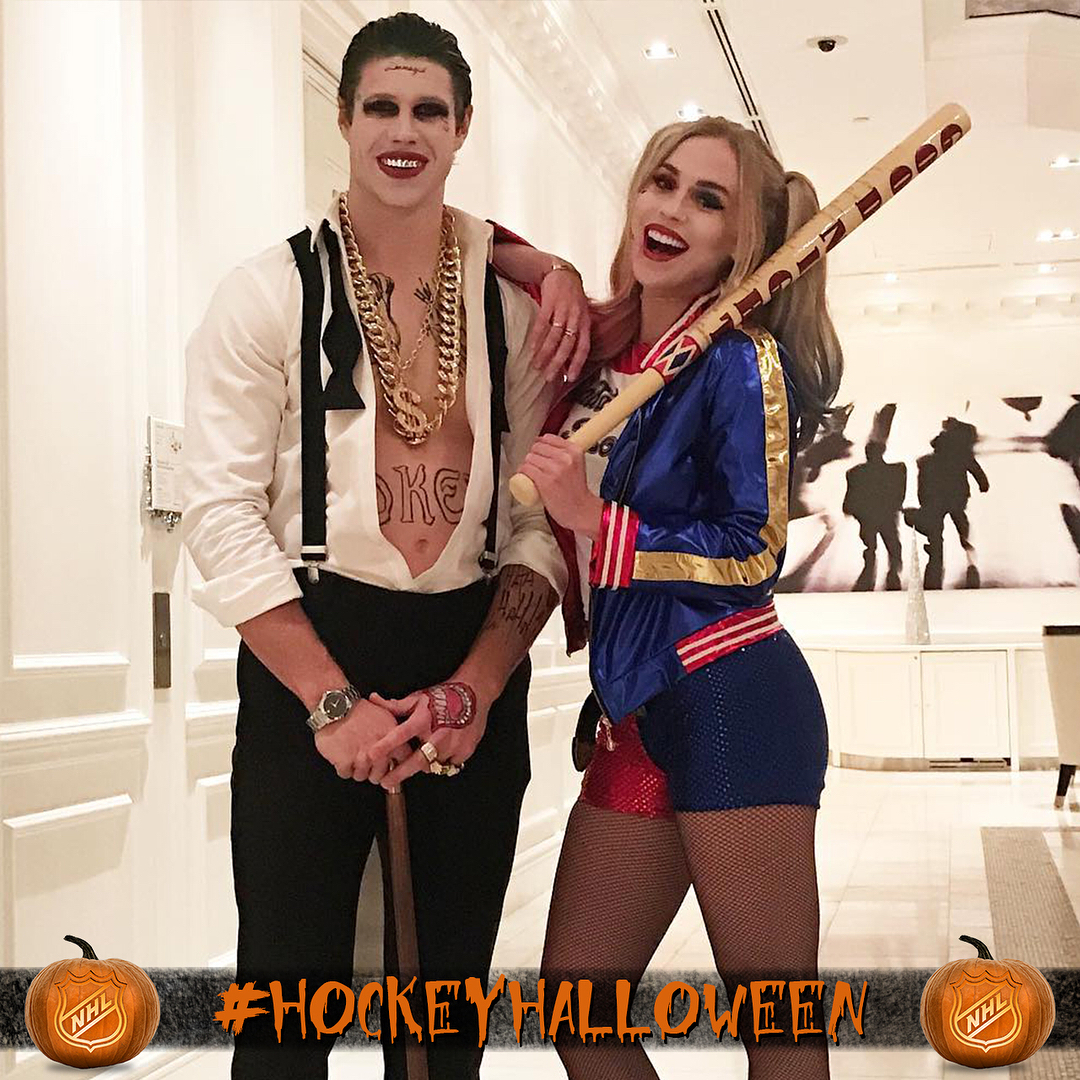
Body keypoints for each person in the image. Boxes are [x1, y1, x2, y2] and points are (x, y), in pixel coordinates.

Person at [182, 12, 587, 1079]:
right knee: (285, 1007)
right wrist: (330, 703)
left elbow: (537, 522)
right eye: (381, 107)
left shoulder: (513, 312)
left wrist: (476, 688)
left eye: (428, 111)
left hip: (468, 654)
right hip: (308, 652)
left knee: (445, 1012)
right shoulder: (265, 293)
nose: (404, 131)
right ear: (345, 119)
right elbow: (219, 513)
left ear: (461, 128)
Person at [516, 116, 844, 1079]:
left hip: (735, 695)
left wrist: (596, 520)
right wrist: (548, 267)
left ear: (742, 244)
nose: (671, 209)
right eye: (661, 182)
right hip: (638, 708)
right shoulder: (617, 363)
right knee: (579, 1008)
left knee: (776, 1024)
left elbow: (753, 549)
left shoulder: (740, 360)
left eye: (709, 200)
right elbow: (478, 240)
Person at [843, 440, 906, 590]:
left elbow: (851, 496)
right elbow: (899, 493)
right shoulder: (896, 471)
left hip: (868, 515)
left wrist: (852, 510)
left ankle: (870, 571)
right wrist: (895, 506)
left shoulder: (855, 473)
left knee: (871, 545)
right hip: (885, 514)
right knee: (892, 544)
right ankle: (892, 572)